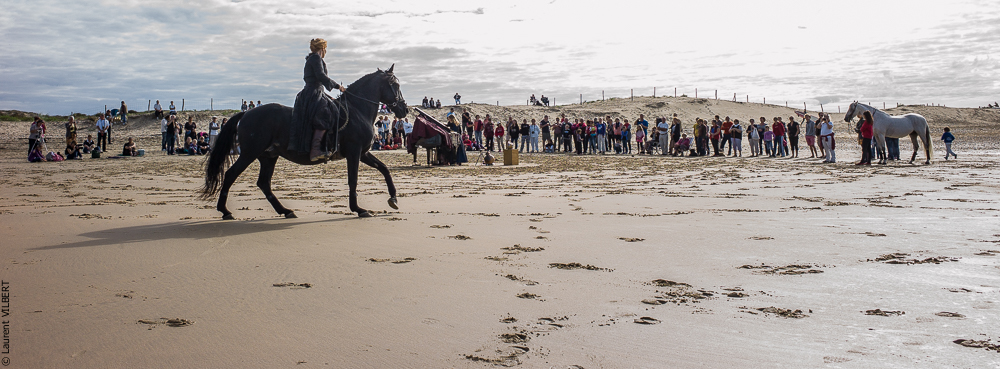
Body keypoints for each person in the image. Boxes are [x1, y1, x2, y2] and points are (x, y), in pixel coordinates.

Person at [291, 38, 347, 162]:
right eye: (325, 49)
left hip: (314, 91)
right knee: (325, 114)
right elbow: (321, 76)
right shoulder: (316, 58)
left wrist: (326, 94)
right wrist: (338, 86)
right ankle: (316, 149)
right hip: (313, 93)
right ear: (322, 49)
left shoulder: (311, 59)